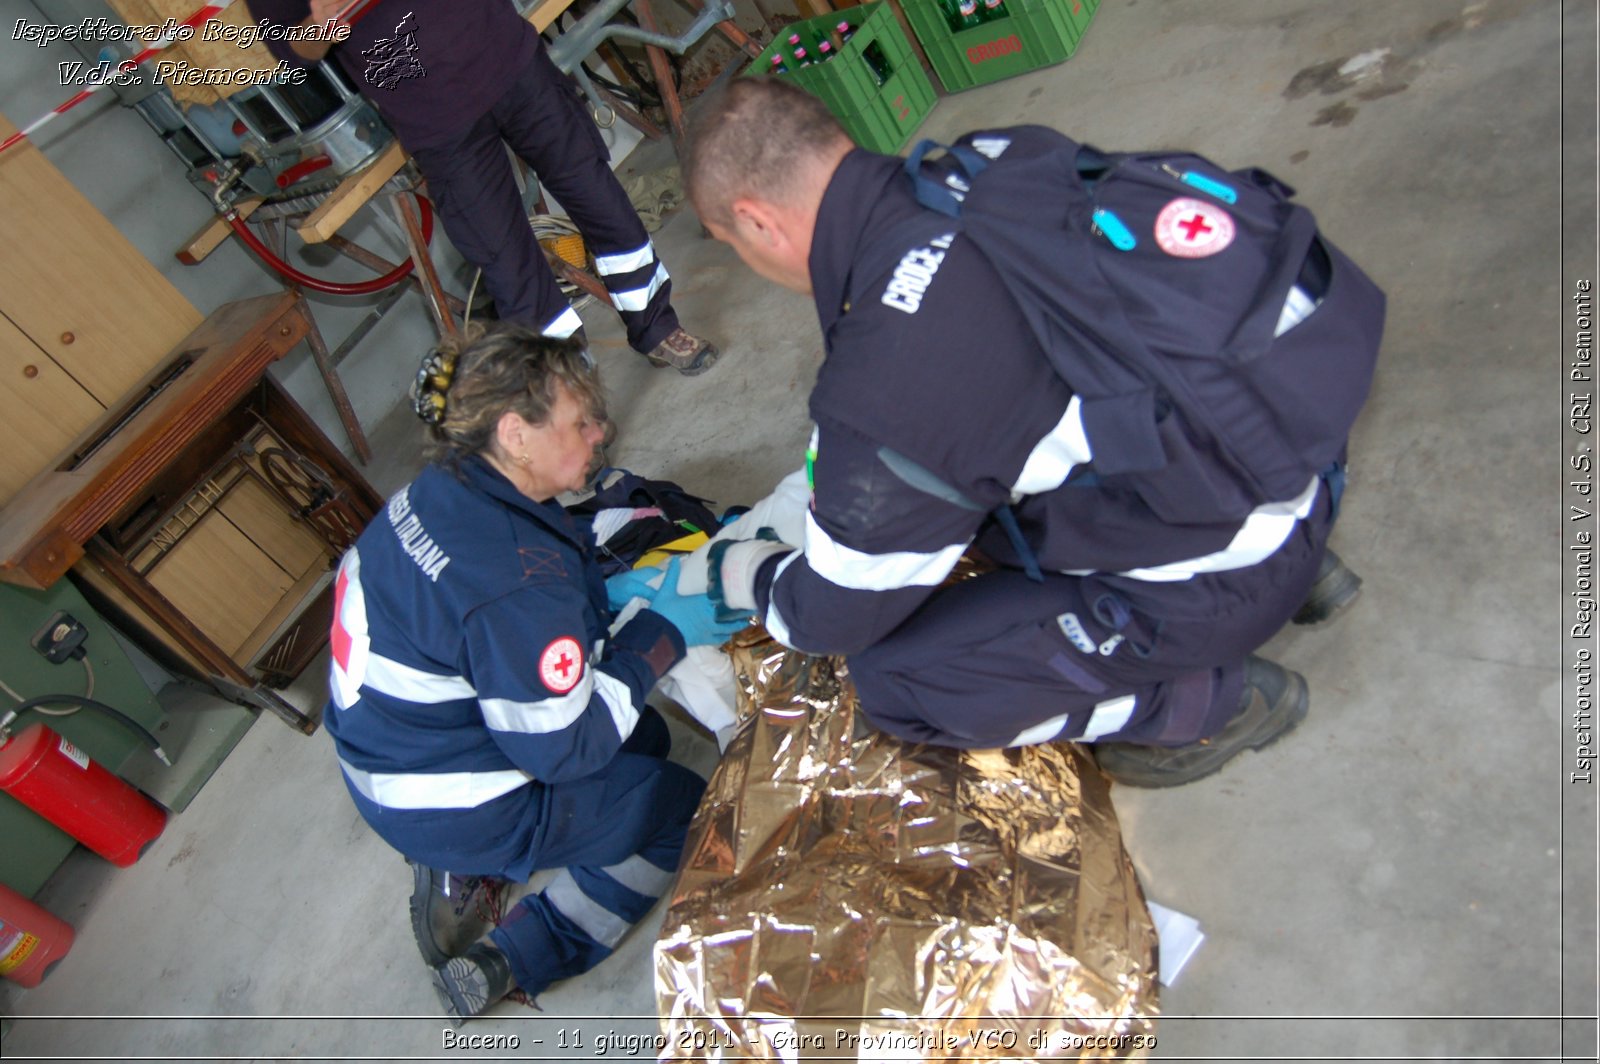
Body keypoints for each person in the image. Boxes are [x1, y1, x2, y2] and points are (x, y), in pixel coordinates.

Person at [685, 78, 1367, 788]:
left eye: (730, 244)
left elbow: (834, 615)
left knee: (896, 680)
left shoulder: (887, 375)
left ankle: (1210, 702)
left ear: (756, 221)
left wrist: (749, 573)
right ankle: (1301, 563)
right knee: (1002, 481)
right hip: (1296, 449)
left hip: (1233, 572)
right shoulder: (993, 163)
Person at [323, 324, 744, 1018]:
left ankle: (463, 856)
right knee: (679, 805)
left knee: (643, 740)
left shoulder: (443, 489)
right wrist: (660, 636)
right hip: (447, 794)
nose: (600, 433)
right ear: (515, 433)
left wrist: (596, 604)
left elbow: (494, 615)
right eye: (580, 423)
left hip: (388, 751)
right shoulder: (515, 580)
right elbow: (565, 744)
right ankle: (517, 954)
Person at [246, 0, 720, 373]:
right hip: (436, 122)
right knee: (505, 262)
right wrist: (323, 22)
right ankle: (573, 398)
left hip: (508, 61)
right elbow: (294, 50)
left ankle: (657, 328)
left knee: (596, 195)